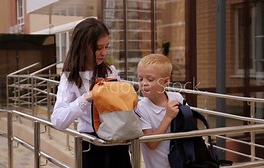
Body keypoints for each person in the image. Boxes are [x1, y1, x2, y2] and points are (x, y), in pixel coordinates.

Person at [51, 17, 131, 168]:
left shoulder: (110, 71)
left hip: (118, 140)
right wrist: (87, 97)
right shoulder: (70, 78)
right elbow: (58, 120)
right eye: (98, 48)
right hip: (91, 144)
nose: (104, 53)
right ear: (83, 46)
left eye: (106, 47)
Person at [135, 54, 185, 168]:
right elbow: (151, 143)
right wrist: (168, 117)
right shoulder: (140, 107)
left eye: (150, 79)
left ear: (165, 82)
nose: (144, 83)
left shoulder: (177, 98)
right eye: (140, 79)